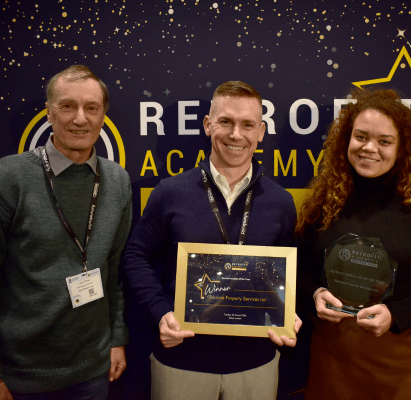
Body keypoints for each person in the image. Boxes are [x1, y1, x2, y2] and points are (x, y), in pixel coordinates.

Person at [0, 65, 132, 400]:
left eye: (91, 108)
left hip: (93, 371)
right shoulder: (7, 178)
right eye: (67, 106)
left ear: (103, 116)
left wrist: (116, 339)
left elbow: (114, 273)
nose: (80, 118)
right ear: (49, 113)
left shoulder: (118, 182)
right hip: (20, 376)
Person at [123, 81, 302, 400]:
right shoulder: (169, 193)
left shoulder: (280, 202)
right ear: (208, 124)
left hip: (256, 365)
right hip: (181, 362)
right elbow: (136, 257)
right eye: (226, 122)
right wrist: (161, 311)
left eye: (248, 125)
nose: (237, 135)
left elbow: (290, 274)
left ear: (260, 132)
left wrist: (288, 310)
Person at [296, 89, 411, 400]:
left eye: (384, 141)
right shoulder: (328, 197)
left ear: (402, 147)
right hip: (335, 357)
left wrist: (397, 315)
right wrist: (315, 293)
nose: (370, 148)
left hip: (406, 361)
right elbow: (300, 270)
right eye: (361, 137)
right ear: (346, 141)